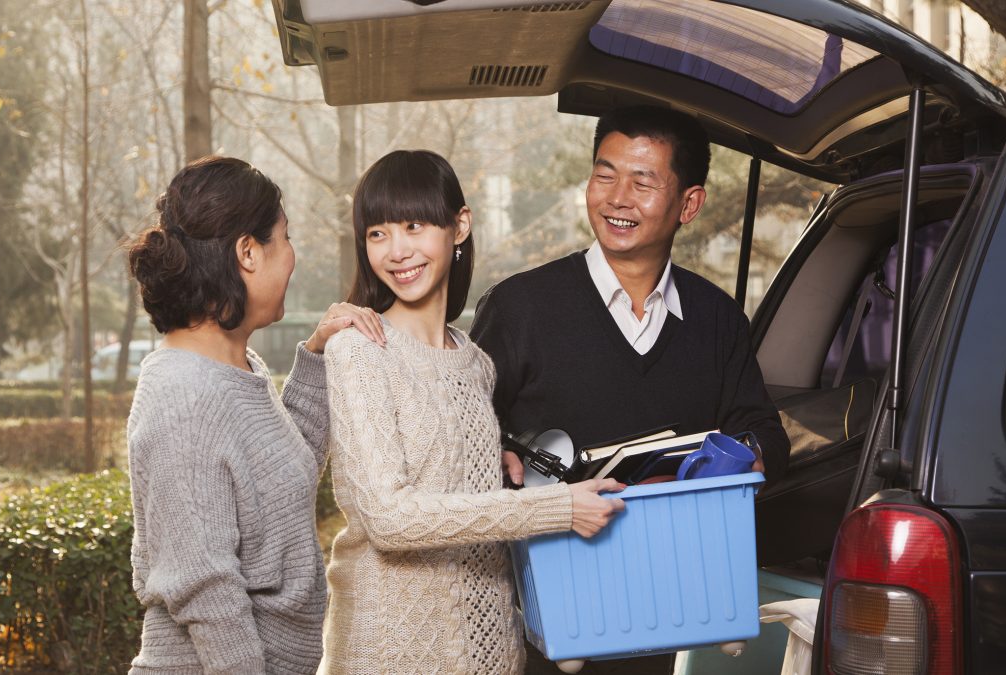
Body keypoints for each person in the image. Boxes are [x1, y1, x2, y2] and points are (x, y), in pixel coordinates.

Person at [471, 106, 791, 674]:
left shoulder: (718, 319)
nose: (617, 198)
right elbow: (467, 434)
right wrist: (495, 457)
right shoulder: (521, 307)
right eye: (605, 174)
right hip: (554, 626)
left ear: (688, 204)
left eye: (643, 181)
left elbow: (762, 430)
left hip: (671, 617)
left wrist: (741, 460)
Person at [320, 149, 627, 674]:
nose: (397, 251)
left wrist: (500, 462)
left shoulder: (475, 362)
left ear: (459, 225)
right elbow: (390, 520)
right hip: (394, 654)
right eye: (377, 233)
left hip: (493, 653)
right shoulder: (358, 352)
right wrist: (557, 509)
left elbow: (464, 498)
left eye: (414, 226)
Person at [125, 156, 384, 674]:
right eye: (285, 239)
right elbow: (206, 589)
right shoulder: (185, 396)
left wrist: (314, 355)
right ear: (247, 252)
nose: (292, 258)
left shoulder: (232, 368)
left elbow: (282, 482)